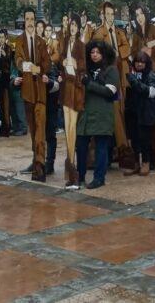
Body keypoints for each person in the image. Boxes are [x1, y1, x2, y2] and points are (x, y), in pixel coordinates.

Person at [92, 1, 133, 172]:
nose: (110, 17)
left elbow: (127, 47)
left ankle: (116, 153)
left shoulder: (119, 31)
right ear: (102, 15)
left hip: (121, 78)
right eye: (107, 14)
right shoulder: (98, 33)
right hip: (107, 79)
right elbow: (97, 55)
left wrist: (117, 53)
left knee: (121, 114)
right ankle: (112, 155)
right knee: (111, 116)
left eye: (111, 14)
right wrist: (112, 55)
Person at [15, 7, 52, 182]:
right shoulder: (19, 41)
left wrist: (40, 69)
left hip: (41, 94)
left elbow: (47, 63)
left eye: (32, 19)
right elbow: (19, 62)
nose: (30, 22)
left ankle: (40, 166)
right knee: (33, 130)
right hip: (27, 93)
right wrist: (33, 67)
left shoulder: (41, 42)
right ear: (24, 21)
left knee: (40, 131)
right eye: (27, 19)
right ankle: (36, 159)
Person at [76, 41, 119, 189]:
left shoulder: (111, 70)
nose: (94, 55)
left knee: (101, 147)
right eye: (92, 52)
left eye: (98, 52)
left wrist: (89, 84)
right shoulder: (85, 70)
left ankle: (99, 178)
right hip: (85, 114)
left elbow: (109, 92)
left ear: (104, 54)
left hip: (102, 113)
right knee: (80, 145)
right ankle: (79, 175)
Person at [131, 5, 155, 167]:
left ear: (145, 14)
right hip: (141, 76)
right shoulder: (136, 34)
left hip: (153, 74)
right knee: (142, 119)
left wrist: (148, 46)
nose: (139, 17)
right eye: (136, 14)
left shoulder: (153, 28)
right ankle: (143, 158)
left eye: (141, 14)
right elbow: (133, 53)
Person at [58, 14, 86, 188]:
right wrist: (63, 63)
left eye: (75, 24)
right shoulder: (65, 42)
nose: (73, 27)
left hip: (75, 89)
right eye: (71, 24)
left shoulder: (81, 45)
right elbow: (60, 62)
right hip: (65, 87)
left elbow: (83, 66)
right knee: (67, 127)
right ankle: (70, 165)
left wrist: (75, 63)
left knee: (72, 128)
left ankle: (73, 167)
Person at [124, 52, 155, 176]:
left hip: (146, 112)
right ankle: (136, 164)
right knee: (134, 140)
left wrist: (135, 83)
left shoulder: (151, 75)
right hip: (133, 113)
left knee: (145, 140)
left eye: (142, 62)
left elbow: (152, 92)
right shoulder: (132, 75)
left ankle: (146, 163)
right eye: (137, 61)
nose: (139, 64)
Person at [0, 29, 12, 137]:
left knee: (6, 104)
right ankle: (3, 127)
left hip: (6, 79)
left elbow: (9, 63)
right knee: (1, 104)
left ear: (6, 38)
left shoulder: (9, 48)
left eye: (2, 37)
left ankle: (7, 127)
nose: (1, 39)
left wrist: (4, 54)